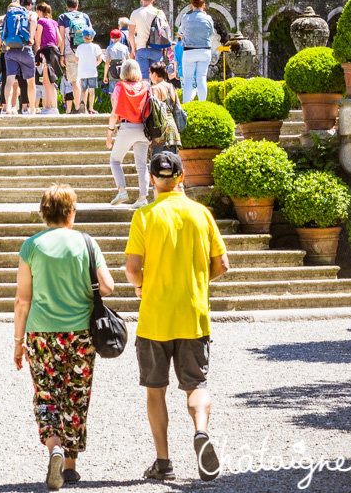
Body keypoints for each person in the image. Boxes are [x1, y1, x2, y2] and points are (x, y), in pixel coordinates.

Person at [125, 150, 229, 482]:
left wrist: (141, 286)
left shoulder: (144, 216)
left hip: (155, 316)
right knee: (196, 385)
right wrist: (198, 280)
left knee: (155, 390)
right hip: (193, 314)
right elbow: (223, 265)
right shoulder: (201, 214)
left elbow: (131, 269)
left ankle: (163, 462)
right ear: (182, 176)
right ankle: (200, 431)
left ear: (152, 179)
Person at [14, 183, 115, 489]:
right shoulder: (86, 243)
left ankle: (54, 445)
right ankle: (69, 467)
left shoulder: (31, 246)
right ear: (72, 212)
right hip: (81, 333)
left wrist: (18, 343)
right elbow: (107, 286)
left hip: (42, 334)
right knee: (76, 396)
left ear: (44, 214)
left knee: (46, 395)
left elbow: (22, 300)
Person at [106, 58, 151, 208]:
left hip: (127, 127)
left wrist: (110, 133)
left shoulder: (120, 87)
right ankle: (143, 198)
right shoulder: (146, 86)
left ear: (123, 72)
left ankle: (122, 190)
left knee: (115, 160)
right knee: (142, 166)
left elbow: (114, 113)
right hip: (144, 129)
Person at [1, 0, 38, 115]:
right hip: (25, 49)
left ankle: (8, 108)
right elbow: (33, 21)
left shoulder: (10, 12)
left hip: (10, 50)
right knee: (30, 82)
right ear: (30, 4)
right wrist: (31, 37)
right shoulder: (30, 13)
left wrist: (3, 39)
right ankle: (32, 109)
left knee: (9, 80)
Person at [176, 0, 215, 104]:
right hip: (204, 50)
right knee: (201, 78)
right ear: (203, 5)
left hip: (189, 51)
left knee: (188, 79)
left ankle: (186, 105)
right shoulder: (208, 18)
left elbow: (180, 32)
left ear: (192, 5)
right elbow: (211, 34)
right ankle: (203, 105)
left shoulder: (185, 18)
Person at [57, 0, 92, 114]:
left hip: (70, 51)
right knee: (83, 79)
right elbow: (90, 34)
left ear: (67, 6)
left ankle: (77, 107)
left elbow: (61, 37)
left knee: (74, 81)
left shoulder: (63, 17)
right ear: (77, 5)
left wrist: (61, 55)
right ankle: (84, 106)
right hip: (84, 51)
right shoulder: (85, 16)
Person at [128, 0, 167, 82]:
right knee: (157, 77)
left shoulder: (135, 13)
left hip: (141, 49)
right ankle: (157, 95)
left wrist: (134, 49)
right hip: (156, 48)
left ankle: (146, 96)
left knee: (143, 78)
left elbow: (131, 34)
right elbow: (165, 32)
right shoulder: (159, 13)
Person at [34, 3, 62, 115]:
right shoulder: (54, 22)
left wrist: (38, 53)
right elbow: (59, 40)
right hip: (54, 51)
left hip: (45, 52)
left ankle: (53, 107)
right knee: (47, 80)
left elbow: (38, 39)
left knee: (48, 81)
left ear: (40, 11)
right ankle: (47, 107)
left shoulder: (40, 21)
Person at [147, 63, 182, 151]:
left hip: (160, 130)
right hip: (173, 129)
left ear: (154, 74)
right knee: (171, 162)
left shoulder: (154, 89)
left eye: (150, 74)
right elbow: (178, 108)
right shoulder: (172, 87)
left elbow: (151, 111)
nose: (150, 77)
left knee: (158, 162)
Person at [75, 28, 104, 115]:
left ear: (83, 37)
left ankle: (83, 107)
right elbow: (99, 59)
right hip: (92, 72)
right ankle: (91, 109)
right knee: (92, 91)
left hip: (82, 72)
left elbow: (76, 60)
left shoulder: (79, 47)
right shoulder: (96, 47)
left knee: (83, 90)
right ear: (93, 37)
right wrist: (95, 65)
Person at [103, 29, 130, 97]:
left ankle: (114, 107)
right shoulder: (125, 47)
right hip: (123, 70)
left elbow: (107, 63)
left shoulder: (109, 48)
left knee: (113, 92)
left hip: (113, 71)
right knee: (123, 90)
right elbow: (128, 60)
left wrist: (105, 75)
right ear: (120, 37)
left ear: (111, 38)